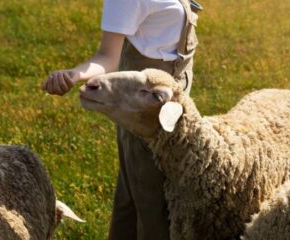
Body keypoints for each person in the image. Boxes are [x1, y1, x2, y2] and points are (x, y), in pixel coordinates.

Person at [42, 0, 200, 239]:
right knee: (152, 201)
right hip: (144, 107)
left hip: (174, 102)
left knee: (135, 193)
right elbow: (107, 57)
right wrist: (74, 75)